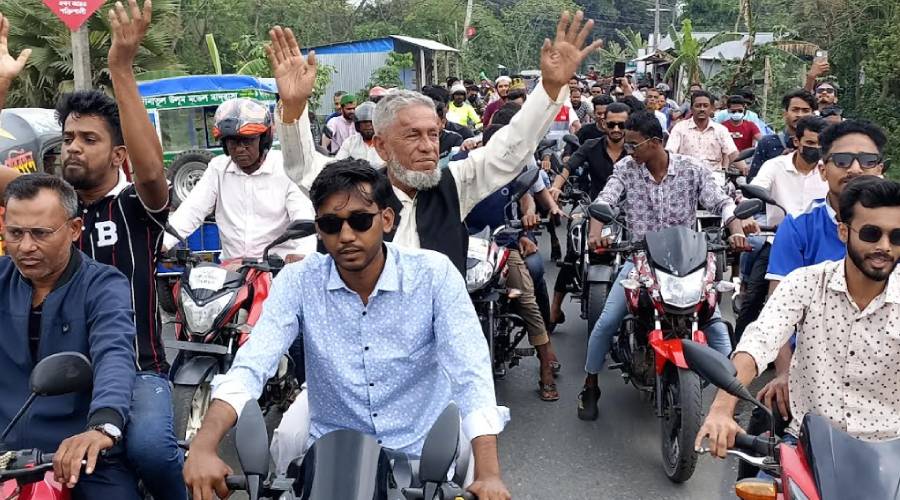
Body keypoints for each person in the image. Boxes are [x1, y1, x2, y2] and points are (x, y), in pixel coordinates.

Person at [183, 159, 512, 500]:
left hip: (424, 457)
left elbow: (470, 371)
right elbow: (252, 363)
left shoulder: (433, 275)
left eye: (360, 220)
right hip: (330, 462)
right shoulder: (298, 281)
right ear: (319, 229)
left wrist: (488, 474)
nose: (346, 235)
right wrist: (204, 445)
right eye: (331, 224)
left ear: (386, 220)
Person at [269, 11, 601, 276]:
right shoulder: (357, 191)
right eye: (413, 135)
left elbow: (512, 148)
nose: (429, 146)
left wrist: (550, 88)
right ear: (382, 147)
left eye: (433, 134)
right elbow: (302, 167)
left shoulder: (455, 184)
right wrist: (295, 107)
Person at [54, 3, 184, 498]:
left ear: (118, 154)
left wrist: (121, 69)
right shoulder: (49, 215)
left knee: (150, 448)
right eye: (68, 138)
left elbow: (153, 176)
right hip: (61, 383)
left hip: (139, 371)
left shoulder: (134, 208)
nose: (74, 148)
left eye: (89, 139)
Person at [696, 176, 900, 458]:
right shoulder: (806, 283)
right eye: (871, 234)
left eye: (897, 237)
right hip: (807, 450)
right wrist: (721, 409)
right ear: (844, 232)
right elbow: (759, 340)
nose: (885, 247)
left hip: (890, 459)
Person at [577, 111, 749, 420]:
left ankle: (732, 394)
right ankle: (590, 384)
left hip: (688, 261)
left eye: (634, 144)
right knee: (606, 321)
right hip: (641, 260)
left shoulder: (691, 170)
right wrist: (594, 235)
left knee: (714, 322)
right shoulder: (626, 170)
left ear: (656, 142)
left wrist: (735, 229)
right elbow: (604, 201)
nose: (628, 150)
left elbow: (721, 202)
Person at [0, 174, 141, 499]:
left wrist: (100, 428)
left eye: (40, 233)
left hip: (78, 454)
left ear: (75, 230)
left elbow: (115, 353)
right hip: (7, 455)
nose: (25, 246)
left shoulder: (104, 285)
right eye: (15, 233)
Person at [749, 121, 889, 421]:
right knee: (766, 427)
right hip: (811, 368)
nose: (854, 169)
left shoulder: (894, 228)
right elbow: (779, 314)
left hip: (884, 374)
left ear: (881, 168)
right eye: (842, 161)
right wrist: (784, 374)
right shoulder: (799, 225)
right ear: (823, 170)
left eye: (867, 161)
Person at [464, 102, 564, 397]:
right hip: (465, 247)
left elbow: (527, 199)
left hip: (502, 247)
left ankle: (546, 359)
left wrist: (528, 221)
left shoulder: (515, 169)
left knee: (524, 297)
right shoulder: (465, 170)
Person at [163, 98, 315, 261]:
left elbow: (303, 218)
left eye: (248, 140)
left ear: (264, 139)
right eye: (233, 142)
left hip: (278, 270)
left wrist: (302, 256)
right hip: (232, 272)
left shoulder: (287, 168)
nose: (240, 148)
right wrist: (163, 243)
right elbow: (192, 210)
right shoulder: (218, 168)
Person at [733, 116, 829, 341]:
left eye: (821, 145)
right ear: (797, 141)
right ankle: (739, 353)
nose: (816, 149)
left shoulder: (830, 171)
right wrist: (748, 216)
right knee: (754, 298)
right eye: (810, 144)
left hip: (819, 246)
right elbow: (755, 189)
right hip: (778, 241)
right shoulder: (775, 166)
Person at [548, 102, 631, 327]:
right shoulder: (591, 145)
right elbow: (568, 167)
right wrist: (556, 187)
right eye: (611, 124)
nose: (615, 129)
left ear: (628, 125)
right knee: (573, 246)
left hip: (628, 211)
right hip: (591, 206)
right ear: (603, 123)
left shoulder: (636, 150)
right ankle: (555, 308)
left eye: (621, 124)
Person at [665, 90, 742, 179]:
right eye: (698, 106)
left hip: (713, 180)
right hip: (686, 179)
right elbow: (670, 154)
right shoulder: (680, 128)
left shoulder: (721, 130)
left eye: (705, 106)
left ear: (712, 108)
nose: (702, 109)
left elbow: (732, 153)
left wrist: (745, 168)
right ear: (691, 108)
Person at [747, 90, 816, 181]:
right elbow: (752, 181)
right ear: (785, 113)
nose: (800, 115)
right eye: (795, 110)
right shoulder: (767, 143)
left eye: (805, 111)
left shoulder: (821, 144)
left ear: (813, 114)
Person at [336, 101, 385, 167]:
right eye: (364, 122)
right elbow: (338, 163)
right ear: (357, 125)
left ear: (378, 123)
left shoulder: (388, 143)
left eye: (371, 122)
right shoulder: (350, 143)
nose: (368, 125)